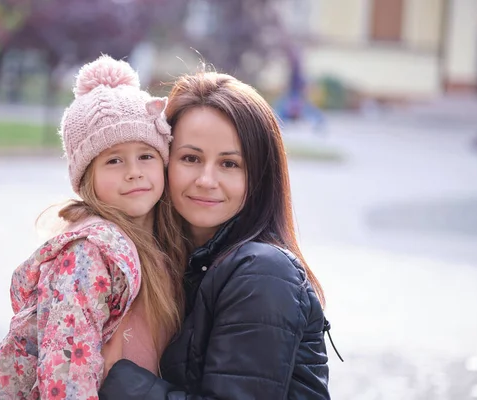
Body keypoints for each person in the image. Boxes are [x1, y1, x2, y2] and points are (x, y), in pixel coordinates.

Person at [99, 70, 335, 399]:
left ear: (260, 176)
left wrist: (119, 382)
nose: (207, 180)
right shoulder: (177, 263)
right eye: (191, 158)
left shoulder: (263, 273)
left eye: (229, 164)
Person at [0, 55, 186, 399]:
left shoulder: (159, 241)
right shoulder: (88, 254)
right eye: (114, 160)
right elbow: (65, 368)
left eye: (146, 155)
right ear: (86, 177)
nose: (134, 171)